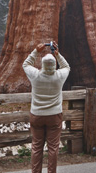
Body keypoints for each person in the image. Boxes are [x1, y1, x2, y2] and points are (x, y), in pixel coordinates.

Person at [22, 41, 70, 173]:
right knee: (53, 148)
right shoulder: (59, 76)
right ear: (54, 65)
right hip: (54, 116)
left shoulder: (36, 76)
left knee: (36, 147)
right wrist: (57, 54)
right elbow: (66, 66)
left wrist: (36, 51)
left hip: (37, 115)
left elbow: (26, 64)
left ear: (42, 65)